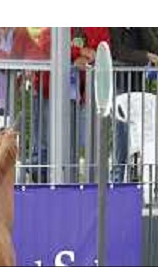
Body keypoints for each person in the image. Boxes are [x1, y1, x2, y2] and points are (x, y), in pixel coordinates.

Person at [32, 27, 111, 183]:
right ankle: (42, 183)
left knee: (74, 143)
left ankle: (69, 183)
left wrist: (87, 57)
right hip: (49, 91)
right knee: (45, 141)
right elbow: (47, 44)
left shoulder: (98, 27)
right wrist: (79, 52)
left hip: (79, 95)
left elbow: (103, 51)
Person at [109, 28, 158, 182]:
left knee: (138, 131)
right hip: (118, 82)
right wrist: (145, 56)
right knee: (122, 130)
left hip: (136, 83)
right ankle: (117, 178)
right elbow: (117, 51)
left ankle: (135, 175)